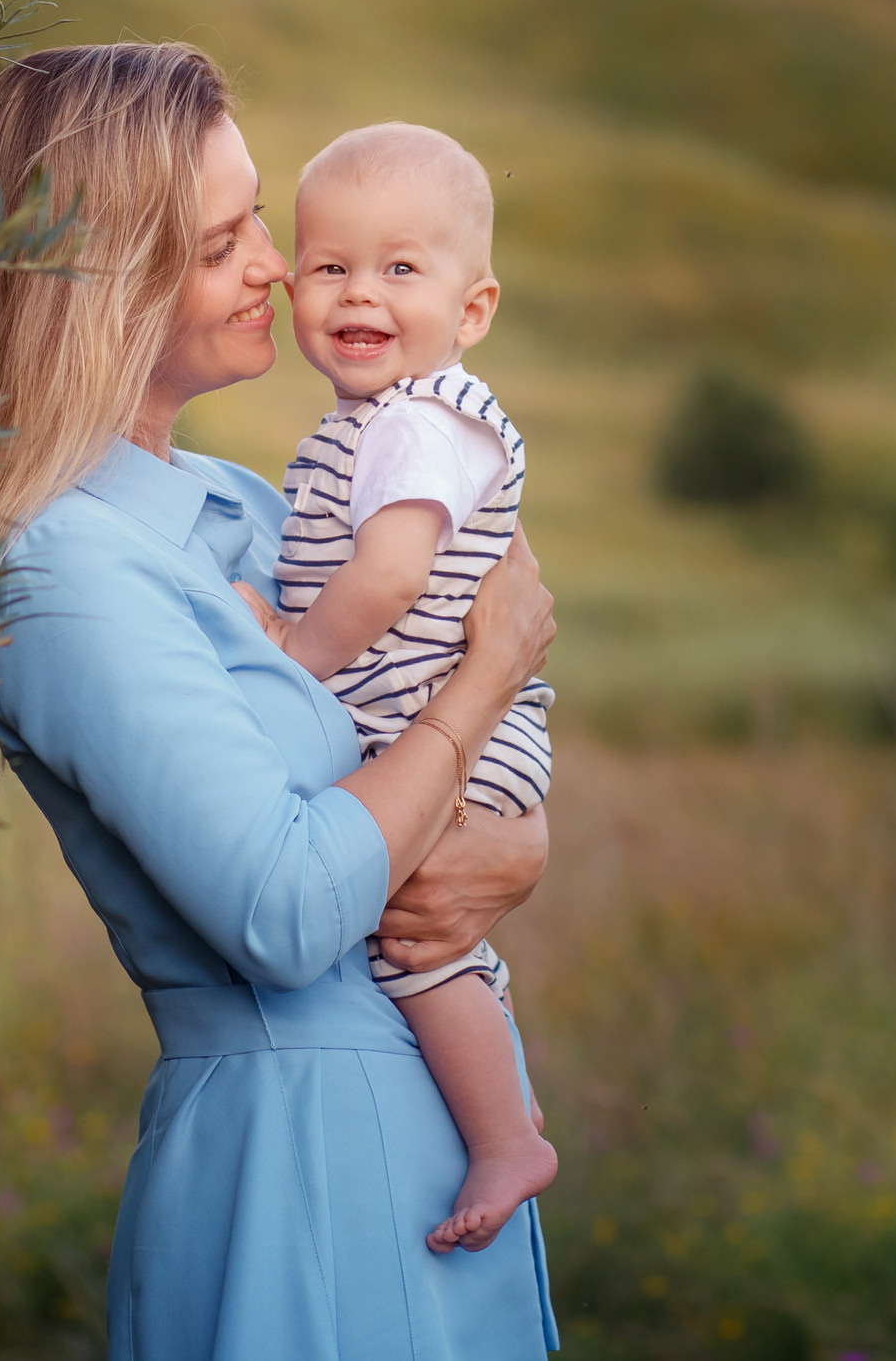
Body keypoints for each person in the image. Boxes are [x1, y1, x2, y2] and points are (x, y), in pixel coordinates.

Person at [0, 44, 560, 1360]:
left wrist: (518, 842)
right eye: (219, 241)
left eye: (258, 214)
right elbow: (287, 907)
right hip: (303, 1163)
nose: (275, 263)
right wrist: (486, 679)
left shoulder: (256, 508)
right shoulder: (60, 566)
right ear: (99, 288)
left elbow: (430, 737)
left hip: (432, 1133)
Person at [239, 122, 559, 1256]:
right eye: (329, 266)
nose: (357, 293)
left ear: (471, 312)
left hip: (463, 720)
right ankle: (499, 1118)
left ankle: (503, 1136)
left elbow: (389, 574)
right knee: (428, 930)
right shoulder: (379, 423)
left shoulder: (417, 425)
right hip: (446, 712)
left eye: (400, 269)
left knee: (411, 937)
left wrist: (292, 651)